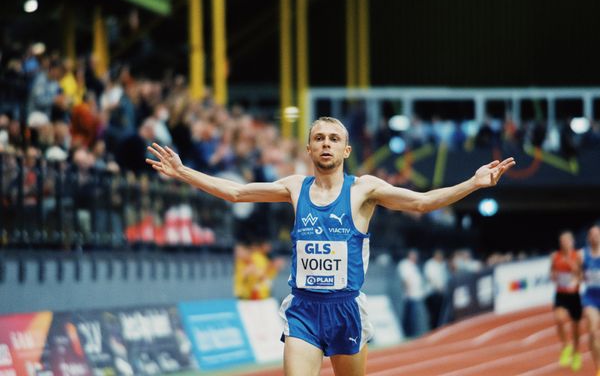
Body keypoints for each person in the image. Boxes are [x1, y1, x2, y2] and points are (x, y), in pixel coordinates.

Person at [146, 116, 515, 376]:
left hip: (346, 310)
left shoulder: (364, 189)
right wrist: (183, 172)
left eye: (333, 138)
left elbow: (421, 202)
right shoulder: (295, 187)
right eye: (319, 138)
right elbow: (238, 193)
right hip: (304, 310)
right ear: (308, 148)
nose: (326, 144)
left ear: (346, 150)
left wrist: (473, 183)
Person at [550, 230, 582, 371]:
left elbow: (581, 275)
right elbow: (552, 272)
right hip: (561, 294)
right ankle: (566, 346)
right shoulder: (555, 256)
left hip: (574, 295)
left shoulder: (578, 256)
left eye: (567, 241)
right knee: (559, 319)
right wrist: (554, 276)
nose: (564, 243)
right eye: (562, 241)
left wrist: (575, 277)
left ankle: (576, 353)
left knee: (575, 327)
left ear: (572, 242)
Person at [581, 224, 600, 376]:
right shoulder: (583, 255)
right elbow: (577, 274)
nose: (594, 237)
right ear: (589, 238)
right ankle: (598, 368)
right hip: (591, 298)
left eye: (597, 234)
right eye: (592, 235)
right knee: (593, 332)